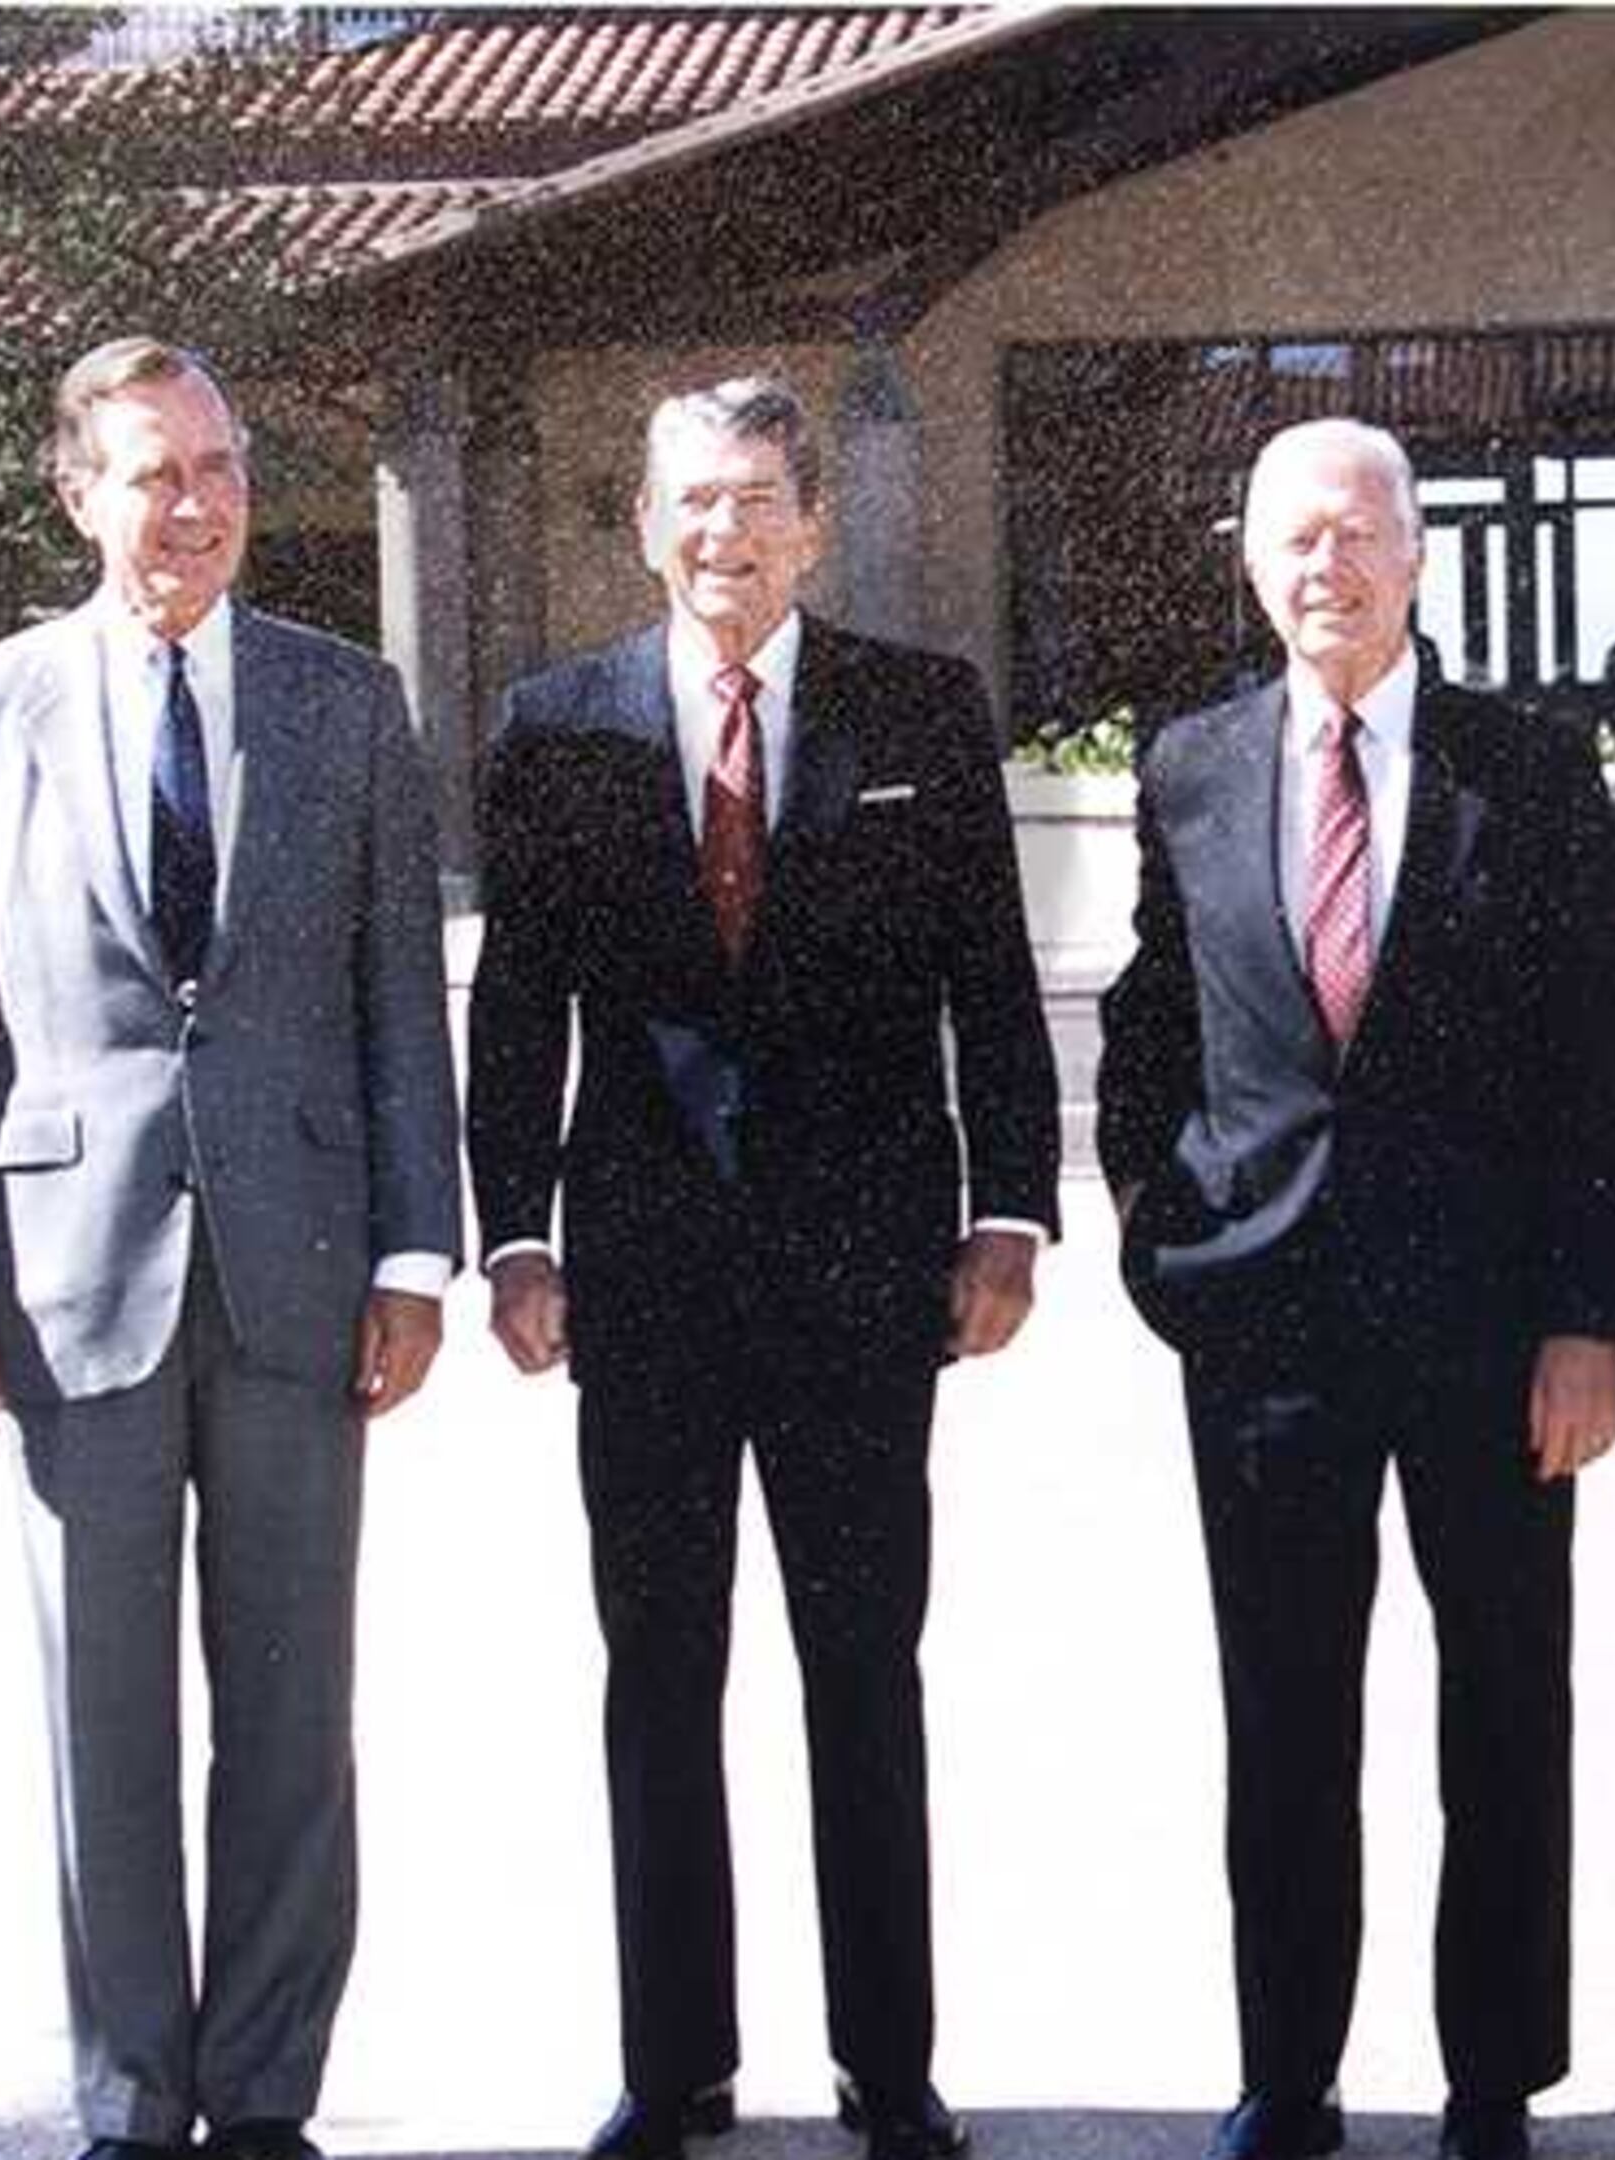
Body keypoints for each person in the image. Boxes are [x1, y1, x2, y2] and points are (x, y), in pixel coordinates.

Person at [0, 335, 461, 2160]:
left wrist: (417, 1255)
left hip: (300, 1270)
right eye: (152, 473)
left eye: (218, 468)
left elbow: (393, 1004)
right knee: (101, 1727)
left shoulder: (344, 700)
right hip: (63, 1284)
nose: (193, 505)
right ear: (79, 493)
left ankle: (267, 2097)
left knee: (292, 1721)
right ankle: (130, 2099)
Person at [462, 376, 1060, 2160]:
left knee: (864, 1668)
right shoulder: (554, 727)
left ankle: (892, 2064)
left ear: (814, 523)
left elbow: (992, 986)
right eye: (690, 505)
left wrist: (1011, 1211)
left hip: (868, 1276)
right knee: (658, 1672)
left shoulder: (919, 712)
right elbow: (517, 1015)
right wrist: (515, 1236)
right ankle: (677, 2067)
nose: (723, 536)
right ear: (646, 529)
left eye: (755, 502)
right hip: (642, 1280)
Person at [1095, 418, 1615, 2160]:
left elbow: (1591, 1064)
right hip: (1265, 1330)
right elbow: (1149, 1031)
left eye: (1354, 535)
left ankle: (1493, 2079)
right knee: (1283, 1714)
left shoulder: (1528, 771)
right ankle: (1291, 2075)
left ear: (1416, 555)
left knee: (1503, 1702)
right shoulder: (1191, 765)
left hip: (1491, 1337)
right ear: (1251, 563)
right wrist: (1158, 1235)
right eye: (1289, 540)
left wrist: (1583, 1320)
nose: (1322, 567)